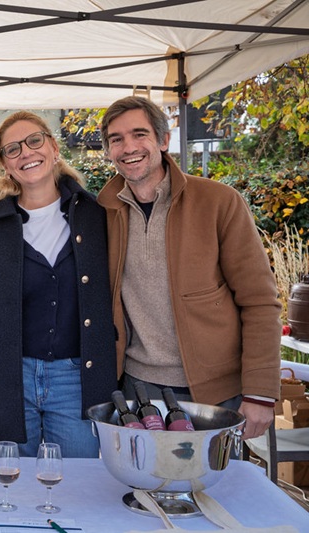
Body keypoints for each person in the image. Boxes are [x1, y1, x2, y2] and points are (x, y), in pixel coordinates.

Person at [96, 96, 281, 440]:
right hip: (139, 387)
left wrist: (260, 390)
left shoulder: (218, 202)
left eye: (140, 134)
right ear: (108, 150)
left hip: (216, 391)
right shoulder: (102, 213)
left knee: (210, 490)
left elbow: (260, 300)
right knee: (146, 488)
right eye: (116, 139)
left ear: (164, 141)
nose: (128, 147)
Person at [0, 111, 116, 458]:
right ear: (3, 163)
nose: (26, 153)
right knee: (11, 487)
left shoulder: (95, 216)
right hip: (7, 378)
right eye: (12, 149)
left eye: (34, 141)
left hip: (77, 380)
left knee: (78, 489)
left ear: (53, 146)